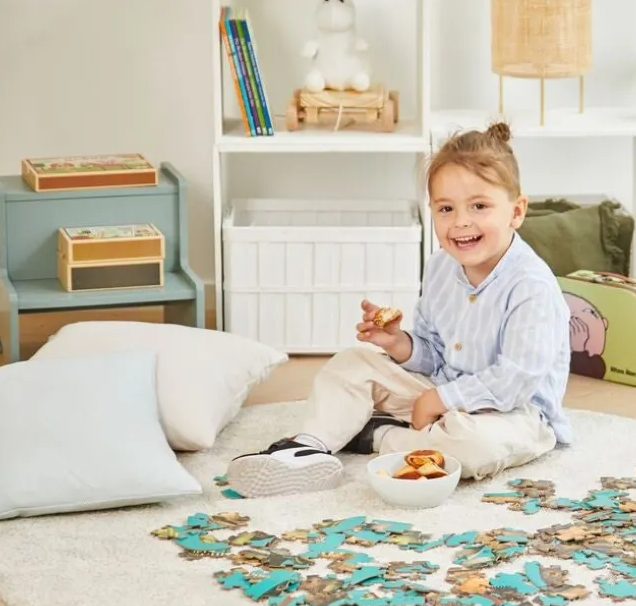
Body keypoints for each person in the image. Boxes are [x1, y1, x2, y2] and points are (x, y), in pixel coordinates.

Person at [227, 122, 571, 496]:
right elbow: (433, 352)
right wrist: (398, 344)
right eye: (446, 208)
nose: (461, 221)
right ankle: (307, 447)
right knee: (352, 363)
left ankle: (379, 437)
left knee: (473, 446)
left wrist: (437, 400)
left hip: (516, 414)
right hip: (442, 391)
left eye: (479, 206)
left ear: (516, 212)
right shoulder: (440, 267)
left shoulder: (531, 286)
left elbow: (515, 379)